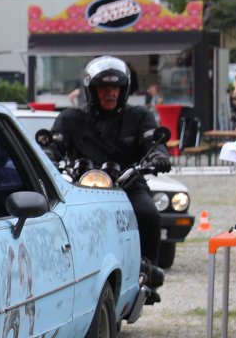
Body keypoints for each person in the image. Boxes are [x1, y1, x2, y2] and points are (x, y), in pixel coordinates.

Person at [52, 55, 170, 302]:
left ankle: (149, 272)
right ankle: (56, 276)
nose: (110, 93)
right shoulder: (71, 118)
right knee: (51, 219)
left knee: (148, 213)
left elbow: (152, 142)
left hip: (128, 183)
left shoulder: (139, 116)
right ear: (91, 90)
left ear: (123, 90)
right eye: (103, 88)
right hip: (81, 186)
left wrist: (158, 156)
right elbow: (54, 145)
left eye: (115, 87)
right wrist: (48, 154)